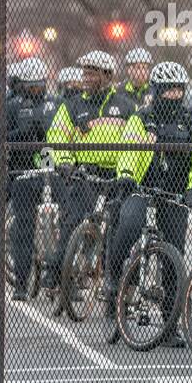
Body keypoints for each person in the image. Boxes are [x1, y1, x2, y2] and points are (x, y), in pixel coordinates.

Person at [110, 61, 192, 345]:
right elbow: (129, 149)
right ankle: (113, 285)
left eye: (179, 90)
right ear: (156, 91)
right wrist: (127, 175)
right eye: (168, 90)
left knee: (174, 254)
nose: (174, 95)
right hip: (141, 186)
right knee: (128, 225)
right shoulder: (141, 117)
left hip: (176, 192)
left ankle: (170, 325)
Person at [44, 50, 137, 285]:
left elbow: (134, 140)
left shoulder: (126, 106)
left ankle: (111, 283)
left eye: (92, 74)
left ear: (107, 76)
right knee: (73, 220)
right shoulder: (72, 105)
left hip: (117, 175)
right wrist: (64, 161)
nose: (85, 78)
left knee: (116, 229)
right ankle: (56, 270)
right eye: (84, 73)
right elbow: (57, 133)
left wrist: (127, 172)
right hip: (84, 172)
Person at [2, 57, 58, 298]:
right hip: (23, 171)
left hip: (53, 169)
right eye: (31, 85)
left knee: (66, 219)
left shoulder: (56, 105)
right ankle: (22, 283)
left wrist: (46, 131)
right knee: (23, 227)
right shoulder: (13, 106)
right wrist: (21, 134)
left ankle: (60, 275)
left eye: (39, 85)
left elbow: (65, 133)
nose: (36, 89)